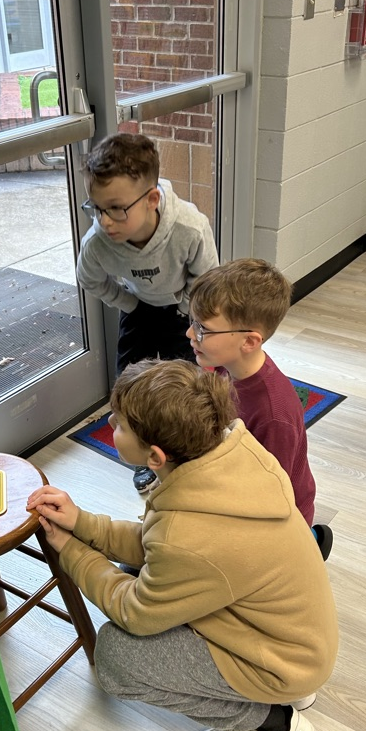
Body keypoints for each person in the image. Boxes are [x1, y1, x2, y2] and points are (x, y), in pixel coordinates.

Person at [27, 359, 338, 731]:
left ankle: (271, 727)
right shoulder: (229, 454)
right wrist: (82, 523)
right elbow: (154, 542)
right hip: (296, 637)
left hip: (285, 661)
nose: (111, 424)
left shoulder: (187, 533)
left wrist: (72, 551)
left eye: (118, 424)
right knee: (133, 569)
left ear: (155, 456)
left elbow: (136, 613)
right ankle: (277, 691)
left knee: (118, 659)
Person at [77, 133, 219, 494]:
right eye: (97, 208)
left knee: (188, 383)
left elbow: (206, 278)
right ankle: (143, 460)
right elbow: (89, 279)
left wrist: (185, 308)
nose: (106, 221)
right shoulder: (97, 244)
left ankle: (187, 452)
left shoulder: (190, 227)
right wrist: (127, 303)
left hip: (183, 310)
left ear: (152, 199)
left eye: (116, 208)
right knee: (129, 387)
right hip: (139, 308)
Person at [187, 258, 333, 560]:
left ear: (249, 341)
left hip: (279, 514)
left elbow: (271, 496)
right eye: (191, 323)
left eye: (203, 329)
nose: (190, 335)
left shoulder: (274, 415)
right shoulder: (226, 368)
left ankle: (308, 544)